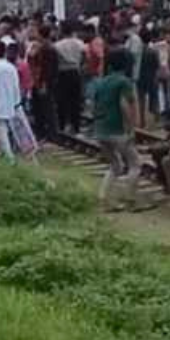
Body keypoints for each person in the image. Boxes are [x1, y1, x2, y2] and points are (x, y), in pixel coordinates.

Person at [88, 46, 142, 209]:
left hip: (100, 129)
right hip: (116, 130)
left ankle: (103, 198)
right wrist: (130, 128)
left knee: (115, 165)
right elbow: (124, 105)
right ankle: (129, 199)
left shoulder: (100, 82)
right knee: (136, 164)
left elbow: (92, 106)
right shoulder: (124, 82)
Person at [0, 38, 35, 162]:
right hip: (10, 104)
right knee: (3, 132)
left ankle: (9, 158)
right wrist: (16, 103)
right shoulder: (11, 68)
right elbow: (15, 86)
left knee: (1, 134)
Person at [52, 25, 86, 133]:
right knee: (75, 101)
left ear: (62, 31)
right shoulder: (80, 43)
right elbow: (85, 56)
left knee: (62, 101)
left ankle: (62, 125)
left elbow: (55, 61)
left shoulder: (57, 45)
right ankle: (76, 126)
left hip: (62, 73)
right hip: (76, 72)